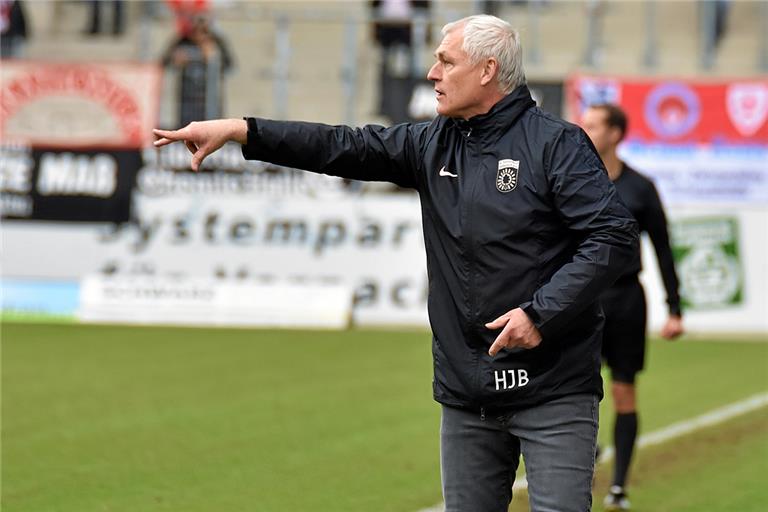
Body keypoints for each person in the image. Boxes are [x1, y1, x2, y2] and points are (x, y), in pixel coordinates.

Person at [154, 15, 638, 512]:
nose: (433, 73)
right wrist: (244, 131)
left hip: (552, 388)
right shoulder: (432, 142)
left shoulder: (555, 144)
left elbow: (613, 237)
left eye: (446, 62)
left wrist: (540, 315)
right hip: (467, 391)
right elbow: (343, 146)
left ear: (488, 70)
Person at [581, 103, 684, 511]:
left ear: (615, 134)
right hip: (580, 300)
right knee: (576, 391)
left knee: (624, 390)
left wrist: (674, 308)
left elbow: (663, 248)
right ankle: (581, 460)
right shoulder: (572, 180)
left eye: (592, 126)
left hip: (625, 300)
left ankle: (619, 486)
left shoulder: (641, 187)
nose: (583, 131)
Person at [161, 13, 233, 127]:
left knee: (211, 129)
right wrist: (176, 59)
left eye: (203, 31)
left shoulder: (216, 42)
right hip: (187, 98)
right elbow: (164, 62)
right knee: (186, 128)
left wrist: (214, 59)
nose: (199, 35)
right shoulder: (182, 41)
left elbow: (230, 65)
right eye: (195, 31)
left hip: (209, 98)